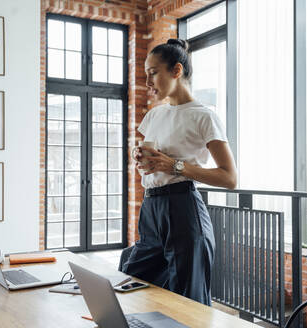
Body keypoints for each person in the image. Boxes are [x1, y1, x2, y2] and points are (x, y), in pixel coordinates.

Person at [122, 38, 237, 306]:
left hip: (183, 209)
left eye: (153, 74)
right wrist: (139, 157)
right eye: (146, 75)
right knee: (132, 285)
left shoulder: (203, 116)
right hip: (151, 209)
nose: (148, 82)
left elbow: (230, 178)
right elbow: (151, 158)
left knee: (186, 302)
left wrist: (173, 165)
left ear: (176, 71)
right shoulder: (154, 116)